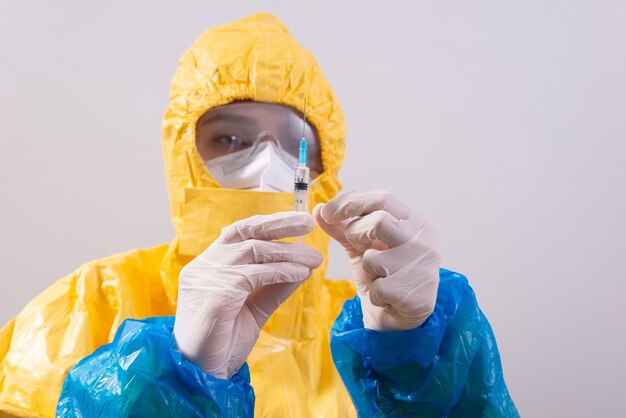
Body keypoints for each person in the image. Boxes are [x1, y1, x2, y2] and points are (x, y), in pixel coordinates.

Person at [0, 13, 518, 418]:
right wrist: (176, 375)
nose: (265, 164)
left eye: (294, 146)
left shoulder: (369, 328)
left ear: (322, 169)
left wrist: (415, 358)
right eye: (229, 138)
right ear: (183, 154)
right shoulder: (90, 305)